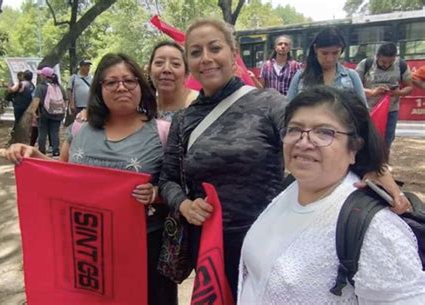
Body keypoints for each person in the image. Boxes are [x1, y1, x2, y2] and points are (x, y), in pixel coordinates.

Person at [159, 18, 413, 301]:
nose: (206, 58)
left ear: (233, 54)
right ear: (189, 63)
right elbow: (168, 178)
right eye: (195, 52)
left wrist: (374, 167)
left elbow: (325, 128)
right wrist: (183, 204)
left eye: (214, 48)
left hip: (268, 236)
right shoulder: (183, 120)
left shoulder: (268, 104)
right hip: (207, 244)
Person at [4, 53, 177, 305]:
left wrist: (156, 193)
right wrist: (33, 155)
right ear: (99, 89)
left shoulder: (163, 132)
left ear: (141, 85)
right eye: (111, 82)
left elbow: (179, 188)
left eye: (129, 81)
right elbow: (62, 177)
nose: (121, 87)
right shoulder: (79, 129)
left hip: (144, 252)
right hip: (87, 249)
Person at [238, 86, 425, 304]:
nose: (304, 142)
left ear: (354, 147)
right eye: (295, 129)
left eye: (324, 132)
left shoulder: (375, 228)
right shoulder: (289, 189)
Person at [356, 42, 413, 149]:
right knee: (366, 138)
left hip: (391, 110)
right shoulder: (365, 64)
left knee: (387, 140)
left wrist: (397, 93)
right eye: (383, 62)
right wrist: (372, 92)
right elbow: (354, 87)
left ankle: (383, 162)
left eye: (390, 62)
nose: (386, 65)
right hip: (368, 110)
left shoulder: (401, 65)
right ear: (377, 56)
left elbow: (409, 87)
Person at [287, 27, 366, 104]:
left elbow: (363, 111)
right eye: (324, 53)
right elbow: (288, 109)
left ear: (341, 50)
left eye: (335, 53)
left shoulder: (352, 76)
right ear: (315, 49)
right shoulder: (300, 76)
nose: (330, 59)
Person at [148, 40, 198, 121]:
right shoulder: (144, 108)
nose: (166, 69)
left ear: (186, 74)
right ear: (149, 70)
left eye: (175, 64)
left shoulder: (199, 107)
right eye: (159, 63)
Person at [29, 67, 67, 157]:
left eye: (41, 74)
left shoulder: (40, 87)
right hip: (58, 113)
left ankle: (42, 151)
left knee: (42, 132)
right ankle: (56, 151)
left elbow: (36, 100)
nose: (40, 76)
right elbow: (65, 100)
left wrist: (33, 112)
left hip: (44, 113)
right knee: (54, 132)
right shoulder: (59, 87)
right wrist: (62, 110)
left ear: (44, 76)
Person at [7, 70, 35, 136]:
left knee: (18, 120)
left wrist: (9, 87)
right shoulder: (32, 85)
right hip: (28, 105)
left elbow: (12, 90)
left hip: (19, 105)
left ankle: (16, 134)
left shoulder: (21, 83)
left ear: (24, 76)